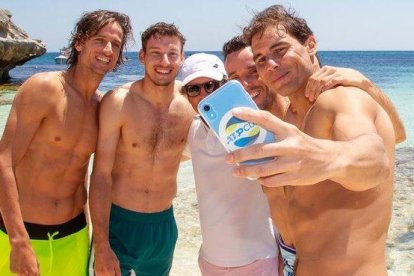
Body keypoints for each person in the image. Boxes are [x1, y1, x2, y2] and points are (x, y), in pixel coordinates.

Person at [225, 5, 406, 275]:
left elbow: (375, 158)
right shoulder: (289, 116)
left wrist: (327, 158)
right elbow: (398, 134)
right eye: (261, 59)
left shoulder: (340, 98)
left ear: (310, 44)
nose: (271, 65)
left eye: (280, 50)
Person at [0, 10, 132, 276]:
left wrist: (100, 243)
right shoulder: (44, 88)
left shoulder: (102, 106)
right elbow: (4, 163)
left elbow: (88, 175)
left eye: (115, 45)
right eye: (99, 40)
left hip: (75, 236)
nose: (107, 49)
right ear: (79, 42)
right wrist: (18, 240)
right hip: (24, 236)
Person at [89, 22, 194, 276]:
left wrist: (311, 76)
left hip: (163, 224)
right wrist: (101, 243)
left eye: (172, 54)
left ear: (182, 58)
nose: (164, 61)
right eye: (156, 53)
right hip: (119, 223)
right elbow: (100, 174)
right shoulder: (119, 102)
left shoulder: (192, 103)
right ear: (143, 57)